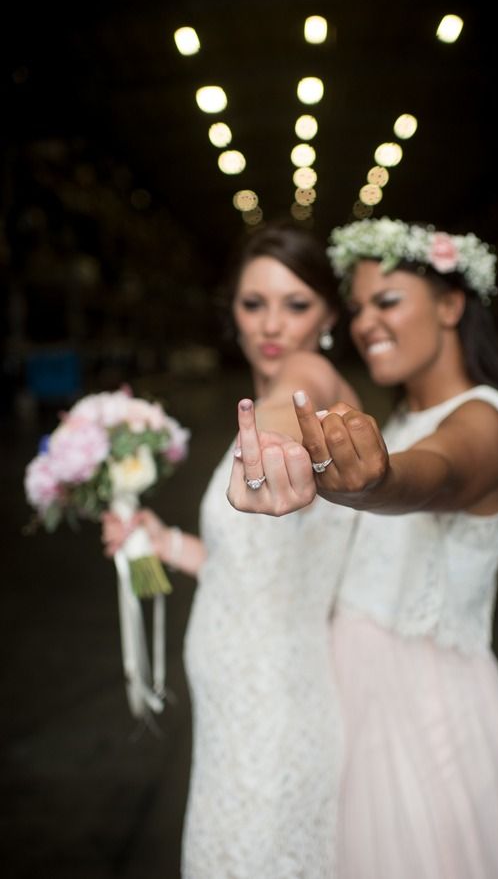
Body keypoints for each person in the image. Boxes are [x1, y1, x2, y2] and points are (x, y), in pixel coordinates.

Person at [228, 217, 498, 878]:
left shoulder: (486, 420)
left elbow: (437, 472)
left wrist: (374, 480)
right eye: (358, 307)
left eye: (389, 301)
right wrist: (267, 432)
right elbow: (299, 398)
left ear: (451, 303)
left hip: (422, 712)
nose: (367, 321)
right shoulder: (400, 416)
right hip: (349, 694)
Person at [102, 220, 361, 879]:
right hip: (228, 717)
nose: (273, 324)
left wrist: (271, 445)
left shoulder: (309, 378)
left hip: (273, 717)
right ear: (234, 313)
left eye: (296, 304)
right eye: (254, 303)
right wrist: (160, 545)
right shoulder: (266, 394)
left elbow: (287, 405)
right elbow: (242, 569)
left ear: (328, 315)